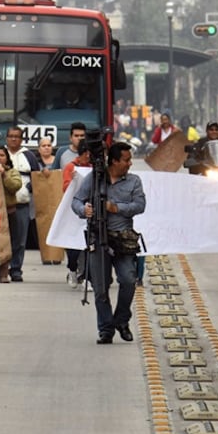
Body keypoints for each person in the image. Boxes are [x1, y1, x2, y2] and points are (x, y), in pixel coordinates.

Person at [71, 142, 146, 344]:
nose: (130, 163)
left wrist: (116, 207)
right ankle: (106, 329)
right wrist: (83, 210)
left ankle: (121, 320)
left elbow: (140, 205)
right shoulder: (95, 179)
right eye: (126, 159)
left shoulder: (133, 181)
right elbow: (76, 201)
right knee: (100, 286)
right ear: (114, 161)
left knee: (129, 279)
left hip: (123, 238)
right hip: (98, 237)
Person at [4, 126, 41, 282]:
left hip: (22, 204)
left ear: (22, 139)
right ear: (6, 138)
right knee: (2, 238)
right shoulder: (1, 153)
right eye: (11, 136)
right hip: (3, 205)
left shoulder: (29, 156)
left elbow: (37, 177)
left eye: (17, 136)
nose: (13, 139)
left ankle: (16, 269)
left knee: (19, 240)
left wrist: (28, 189)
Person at [62, 140, 94, 291]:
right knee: (74, 246)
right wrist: (74, 180)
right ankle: (73, 269)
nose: (88, 156)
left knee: (90, 245)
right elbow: (66, 188)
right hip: (74, 211)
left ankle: (88, 277)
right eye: (85, 153)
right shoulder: (71, 167)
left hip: (91, 210)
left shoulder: (94, 168)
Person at [0, 145, 23, 284]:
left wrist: (3, 175)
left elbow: (15, 186)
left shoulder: (12, 172)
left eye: (2, 155)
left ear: (7, 158)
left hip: (9, 212)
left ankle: (6, 272)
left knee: (10, 243)